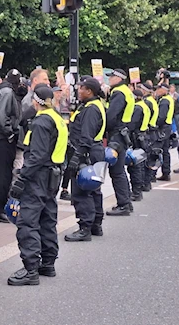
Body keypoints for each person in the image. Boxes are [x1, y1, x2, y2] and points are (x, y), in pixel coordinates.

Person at [7, 85, 67, 286]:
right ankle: (47, 263)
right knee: (47, 219)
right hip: (52, 175)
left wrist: (22, 178)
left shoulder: (41, 122)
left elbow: (37, 155)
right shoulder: (57, 118)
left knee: (28, 222)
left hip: (38, 177)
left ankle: (30, 269)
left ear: (35, 101)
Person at [64, 78, 106, 241]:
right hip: (95, 151)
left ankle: (85, 228)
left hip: (86, 153)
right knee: (94, 189)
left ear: (89, 91)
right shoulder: (96, 105)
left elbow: (86, 137)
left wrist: (76, 157)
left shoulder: (90, 109)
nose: (78, 91)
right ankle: (96, 225)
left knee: (82, 191)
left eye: (81, 88)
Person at [0, 69, 22, 224]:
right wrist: (9, 133)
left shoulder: (3, 92)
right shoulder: (8, 93)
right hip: (4, 138)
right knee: (3, 175)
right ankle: (0, 209)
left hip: (1, 137)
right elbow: (1, 116)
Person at [105, 69, 136, 216]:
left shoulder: (118, 93)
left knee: (116, 171)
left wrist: (103, 129)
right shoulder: (127, 91)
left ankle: (123, 204)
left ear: (118, 78)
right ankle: (126, 202)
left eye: (111, 77)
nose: (109, 79)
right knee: (119, 171)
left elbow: (111, 116)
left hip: (117, 134)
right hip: (123, 132)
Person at [127, 88, 151, 202]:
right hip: (143, 135)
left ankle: (136, 192)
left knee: (135, 165)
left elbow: (132, 124)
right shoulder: (145, 105)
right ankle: (141, 188)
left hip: (137, 137)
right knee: (141, 164)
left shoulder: (137, 108)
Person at [154, 83, 175, 181]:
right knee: (165, 151)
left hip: (162, 128)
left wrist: (155, 125)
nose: (156, 91)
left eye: (158, 89)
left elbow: (161, 117)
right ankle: (166, 172)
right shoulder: (169, 99)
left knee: (157, 150)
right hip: (167, 127)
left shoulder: (164, 101)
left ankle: (153, 173)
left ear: (163, 90)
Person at [142, 83, 159, 191]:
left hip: (148, 132)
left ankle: (146, 183)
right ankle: (147, 182)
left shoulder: (147, 102)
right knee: (150, 159)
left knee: (145, 161)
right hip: (152, 131)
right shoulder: (152, 101)